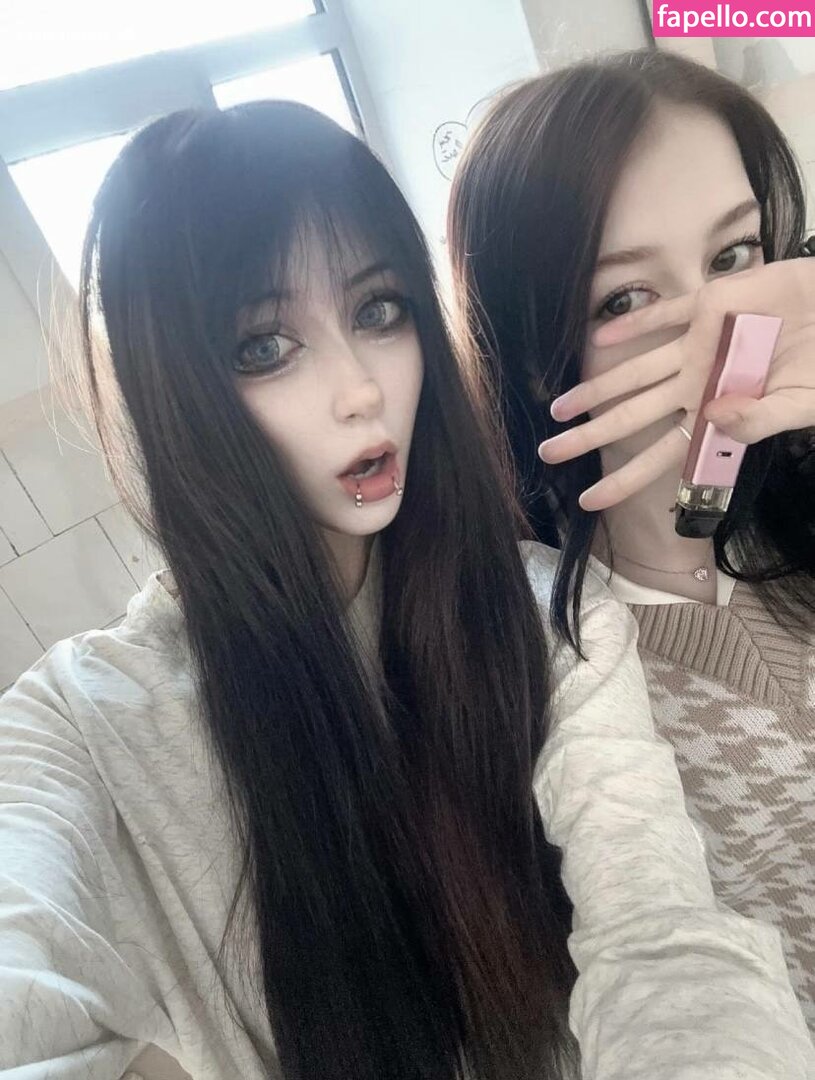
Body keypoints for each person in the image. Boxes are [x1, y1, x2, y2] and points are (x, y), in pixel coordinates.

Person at [1, 100, 812, 1080]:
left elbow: (660, 932)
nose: (360, 389)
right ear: (174, 392)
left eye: (377, 310)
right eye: (263, 347)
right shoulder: (79, 723)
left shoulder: (541, 611)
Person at [448, 47, 815, 1032]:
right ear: (534, 352)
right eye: (624, 297)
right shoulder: (556, 680)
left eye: (732, 257)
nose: (715, 324)